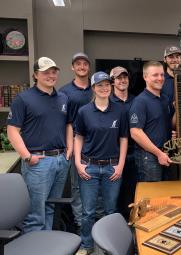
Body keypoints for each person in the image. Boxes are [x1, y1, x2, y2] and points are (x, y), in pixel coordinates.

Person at [7, 57, 72, 233]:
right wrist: (27, 156)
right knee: (35, 215)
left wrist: (69, 150)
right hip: (38, 162)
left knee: (51, 208)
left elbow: (68, 125)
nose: (50, 75)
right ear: (36, 75)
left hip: (60, 160)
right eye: (45, 72)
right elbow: (12, 131)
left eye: (53, 72)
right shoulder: (23, 98)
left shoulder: (63, 98)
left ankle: (46, 246)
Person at [74, 71, 128, 255]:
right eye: (100, 85)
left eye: (107, 85)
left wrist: (120, 165)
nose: (104, 88)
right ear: (93, 88)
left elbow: (123, 139)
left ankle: (109, 246)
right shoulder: (84, 111)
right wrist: (78, 163)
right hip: (89, 166)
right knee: (88, 211)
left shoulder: (120, 111)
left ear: (111, 86)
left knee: (111, 209)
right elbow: (78, 137)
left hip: (112, 166)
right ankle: (86, 246)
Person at [59, 52, 92, 230]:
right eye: (77, 64)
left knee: (98, 184)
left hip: (98, 145)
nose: (81, 67)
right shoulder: (64, 92)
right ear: (72, 67)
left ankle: (97, 225)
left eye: (84, 64)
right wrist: (69, 146)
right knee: (78, 186)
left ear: (89, 67)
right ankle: (82, 225)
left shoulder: (96, 88)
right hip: (76, 145)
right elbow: (64, 122)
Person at [129, 61, 174, 182]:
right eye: (155, 75)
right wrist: (159, 153)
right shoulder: (140, 102)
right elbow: (135, 133)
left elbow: (169, 124)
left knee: (164, 196)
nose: (160, 78)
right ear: (145, 77)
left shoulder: (165, 99)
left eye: (162, 75)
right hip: (148, 157)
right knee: (151, 197)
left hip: (166, 154)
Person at [109, 66, 136, 218]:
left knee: (132, 189)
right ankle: (116, 223)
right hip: (114, 154)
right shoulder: (107, 100)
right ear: (112, 81)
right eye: (119, 78)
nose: (122, 80)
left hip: (135, 151)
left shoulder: (137, 100)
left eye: (125, 77)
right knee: (114, 192)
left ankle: (131, 222)